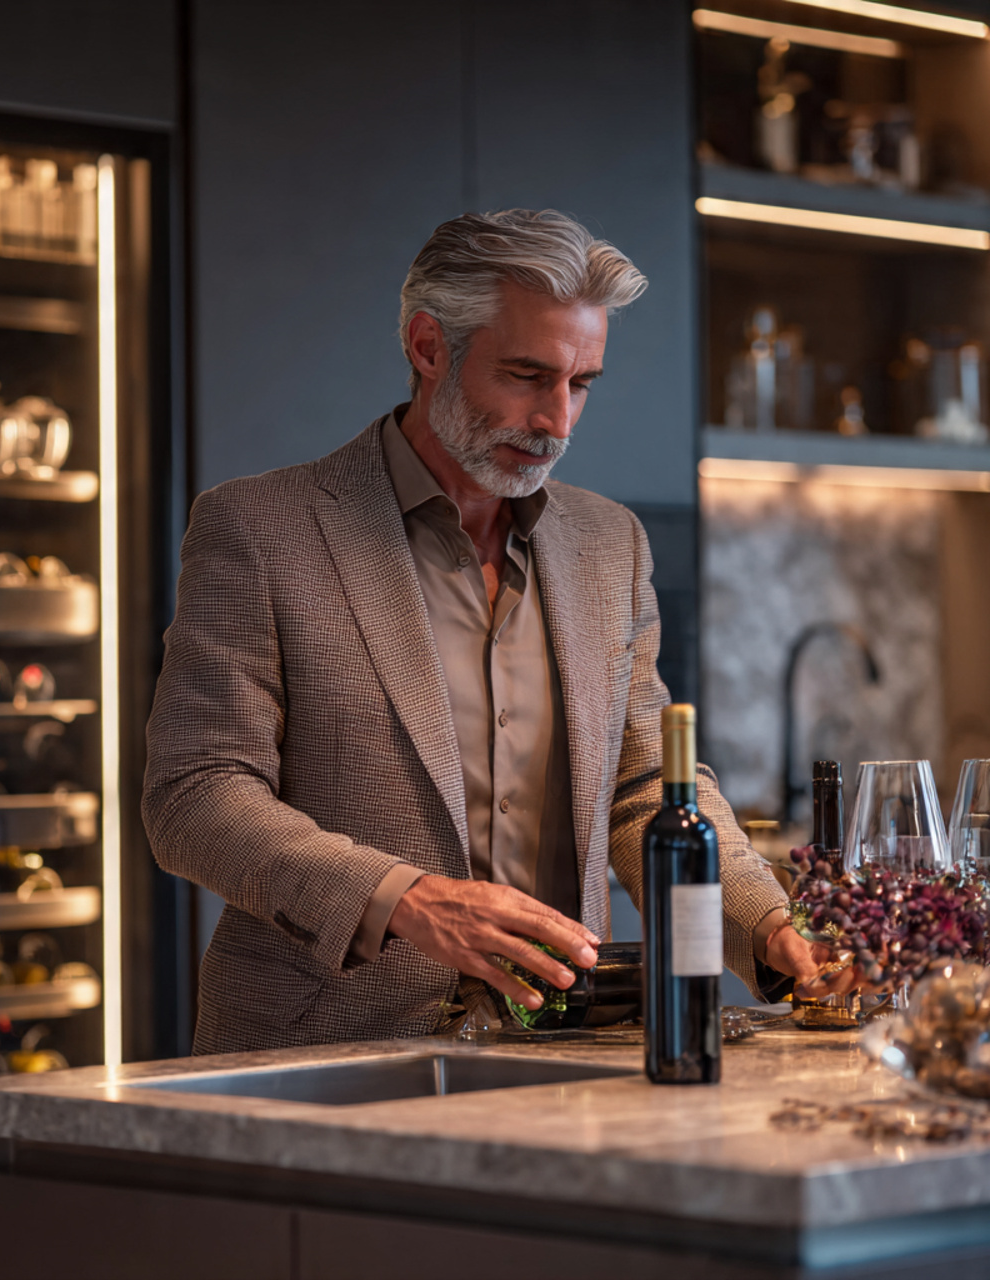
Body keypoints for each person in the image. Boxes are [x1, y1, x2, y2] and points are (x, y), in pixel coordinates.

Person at [143, 209, 843, 1055]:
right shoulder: (261, 529)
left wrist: (768, 927)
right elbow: (196, 795)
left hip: (561, 1048)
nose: (558, 420)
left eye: (580, 383)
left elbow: (644, 786)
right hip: (320, 1052)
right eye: (525, 375)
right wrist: (406, 900)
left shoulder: (607, 543)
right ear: (428, 346)